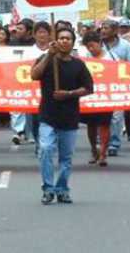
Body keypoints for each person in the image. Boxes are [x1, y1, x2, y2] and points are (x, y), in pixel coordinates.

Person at [31, 27, 94, 205]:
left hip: (70, 117)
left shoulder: (78, 65)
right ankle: (48, 188)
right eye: (61, 38)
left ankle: (62, 188)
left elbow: (89, 88)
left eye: (68, 38)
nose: (64, 41)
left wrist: (69, 93)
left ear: (73, 43)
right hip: (48, 115)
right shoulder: (46, 59)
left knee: (66, 158)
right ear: (56, 41)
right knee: (45, 149)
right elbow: (34, 75)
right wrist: (48, 55)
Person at [100, 19, 130, 156]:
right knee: (100, 115)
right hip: (101, 86)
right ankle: (101, 141)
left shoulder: (125, 46)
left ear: (115, 31)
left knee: (116, 116)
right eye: (102, 28)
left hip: (118, 86)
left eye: (106, 28)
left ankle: (114, 143)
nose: (103, 30)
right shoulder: (97, 45)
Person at [80, 31, 113, 166]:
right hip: (90, 96)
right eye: (88, 47)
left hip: (105, 96)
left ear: (99, 43)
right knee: (91, 125)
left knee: (104, 124)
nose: (91, 49)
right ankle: (94, 149)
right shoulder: (84, 58)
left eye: (93, 45)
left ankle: (103, 153)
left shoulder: (110, 58)